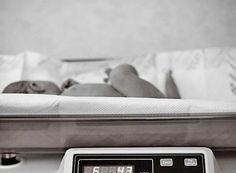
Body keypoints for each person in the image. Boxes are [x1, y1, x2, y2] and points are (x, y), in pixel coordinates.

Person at [2, 64, 167, 98]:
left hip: (136, 100)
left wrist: (78, 88)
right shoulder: (64, 98)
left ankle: (171, 97)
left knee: (118, 79)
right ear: (35, 86)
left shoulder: (67, 98)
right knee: (119, 73)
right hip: (142, 103)